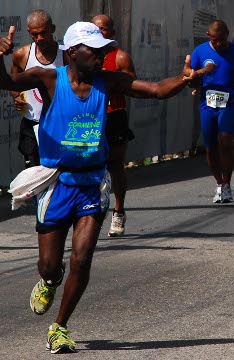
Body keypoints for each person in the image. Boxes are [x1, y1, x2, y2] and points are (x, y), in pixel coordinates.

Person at [0, 21, 207, 354]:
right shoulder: (50, 78)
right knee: (50, 266)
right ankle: (51, 280)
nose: (101, 57)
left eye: (103, 51)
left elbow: (154, 89)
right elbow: (6, 82)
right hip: (58, 183)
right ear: (72, 52)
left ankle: (60, 326)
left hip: (93, 183)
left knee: (83, 260)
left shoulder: (108, 81)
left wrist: (185, 79)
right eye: (93, 51)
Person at [191, 20, 234, 203]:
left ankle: (226, 185)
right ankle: (219, 183)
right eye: (214, 40)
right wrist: (201, 73)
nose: (218, 44)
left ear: (227, 33)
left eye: (221, 39)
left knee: (225, 142)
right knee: (210, 147)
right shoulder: (200, 51)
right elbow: (190, 72)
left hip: (231, 101)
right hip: (208, 104)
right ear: (208, 36)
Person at [92, 14, 136, 237]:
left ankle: (118, 211)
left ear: (112, 33)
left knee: (116, 165)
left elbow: (132, 84)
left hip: (114, 117)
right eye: (95, 29)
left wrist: (111, 81)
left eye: (104, 29)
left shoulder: (120, 57)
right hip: (90, 119)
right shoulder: (81, 56)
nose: (99, 33)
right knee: (89, 166)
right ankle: (89, 214)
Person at [10, 10, 65, 168]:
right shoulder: (22, 55)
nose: (39, 38)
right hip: (32, 123)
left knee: (59, 171)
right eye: (35, 34)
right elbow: (13, 84)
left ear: (52, 29)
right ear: (29, 32)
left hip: (59, 123)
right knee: (34, 173)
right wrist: (17, 97)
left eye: (43, 33)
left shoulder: (66, 54)